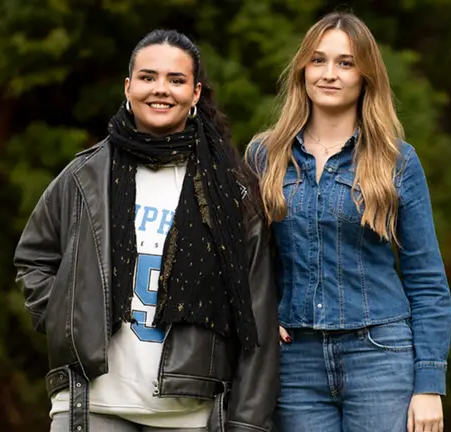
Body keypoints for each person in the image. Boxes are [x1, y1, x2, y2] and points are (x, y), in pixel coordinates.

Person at [14, 29, 280, 432]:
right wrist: (69, 319)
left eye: (176, 80)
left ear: (195, 94)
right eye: (148, 77)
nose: (161, 90)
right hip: (92, 405)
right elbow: (34, 258)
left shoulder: (231, 190)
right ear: (128, 86)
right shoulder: (84, 177)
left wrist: (248, 423)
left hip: (187, 415)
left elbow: (258, 314)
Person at [246, 12, 451, 432]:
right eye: (318, 60)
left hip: (380, 355)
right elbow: (249, 261)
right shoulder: (264, 156)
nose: (329, 74)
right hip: (296, 361)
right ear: (302, 69)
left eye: (345, 62)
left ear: (366, 76)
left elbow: (427, 279)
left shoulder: (396, 160)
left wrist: (429, 384)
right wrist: (264, 315)